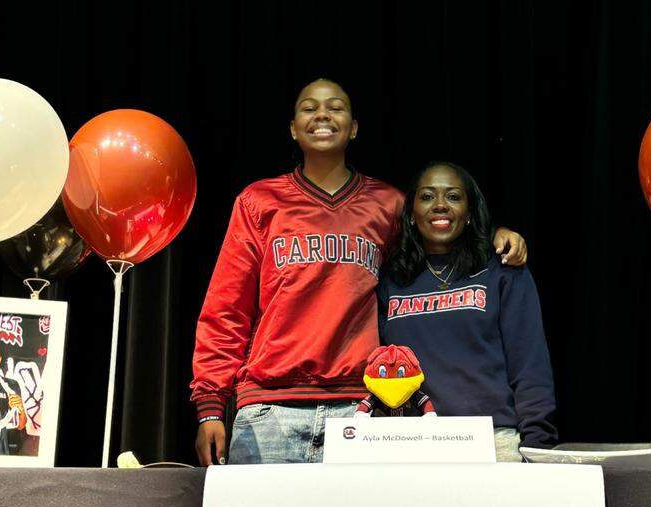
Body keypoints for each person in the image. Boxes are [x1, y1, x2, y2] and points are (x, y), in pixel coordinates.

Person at [190, 79, 526, 465]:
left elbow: (440, 239)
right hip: (268, 410)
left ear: (353, 128)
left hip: (361, 409)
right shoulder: (259, 201)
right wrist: (211, 404)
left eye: (335, 107)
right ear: (293, 128)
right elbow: (225, 309)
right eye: (308, 107)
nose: (322, 114)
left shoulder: (387, 205)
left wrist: (494, 234)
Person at [379, 161, 557, 461]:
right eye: (426, 197)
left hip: (492, 442)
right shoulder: (391, 279)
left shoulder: (501, 270)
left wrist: (537, 445)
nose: (439, 205)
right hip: (412, 443)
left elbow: (529, 362)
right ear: (410, 214)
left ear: (470, 212)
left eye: (453, 196)